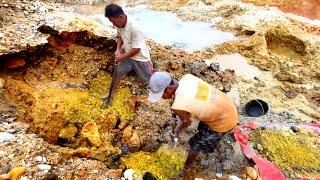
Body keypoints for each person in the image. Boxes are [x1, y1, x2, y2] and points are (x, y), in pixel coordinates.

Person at [148, 72, 238, 167]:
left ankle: (187, 164)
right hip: (228, 106)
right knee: (204, 127)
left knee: (196, 144)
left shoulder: (178, 105)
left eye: (161, 95)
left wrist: (177, 130)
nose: (162, 98)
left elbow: (187, 122)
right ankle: (214, 137)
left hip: (225, 121)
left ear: (169, 89)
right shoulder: (186, 77)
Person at [101, 4, 154, 102]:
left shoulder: (135, 27)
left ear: (120, 17)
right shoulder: (119, 24)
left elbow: (136, 50)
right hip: (128, 56)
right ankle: (111, 92)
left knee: (148, 82)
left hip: (141, 59)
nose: (113, 24)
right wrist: (118, 49)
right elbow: (120, 36)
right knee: (118, 71)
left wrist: (121, 57)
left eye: (113, 21)